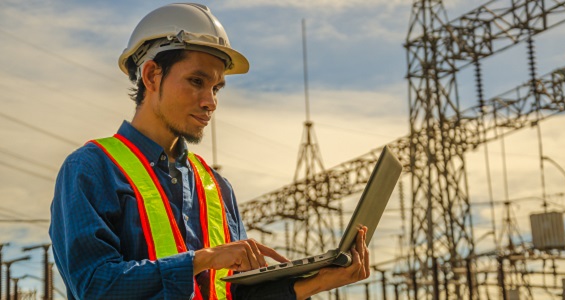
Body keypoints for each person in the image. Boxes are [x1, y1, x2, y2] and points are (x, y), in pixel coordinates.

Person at [49, 3, 370, 299]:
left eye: (216, 88)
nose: (210, 102)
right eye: (196, 81)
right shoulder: (91, 169)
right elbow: (93, 286)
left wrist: (319, 281)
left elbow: (233, 295)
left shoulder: (217, 188)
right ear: (150, 75)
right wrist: (201, 260)